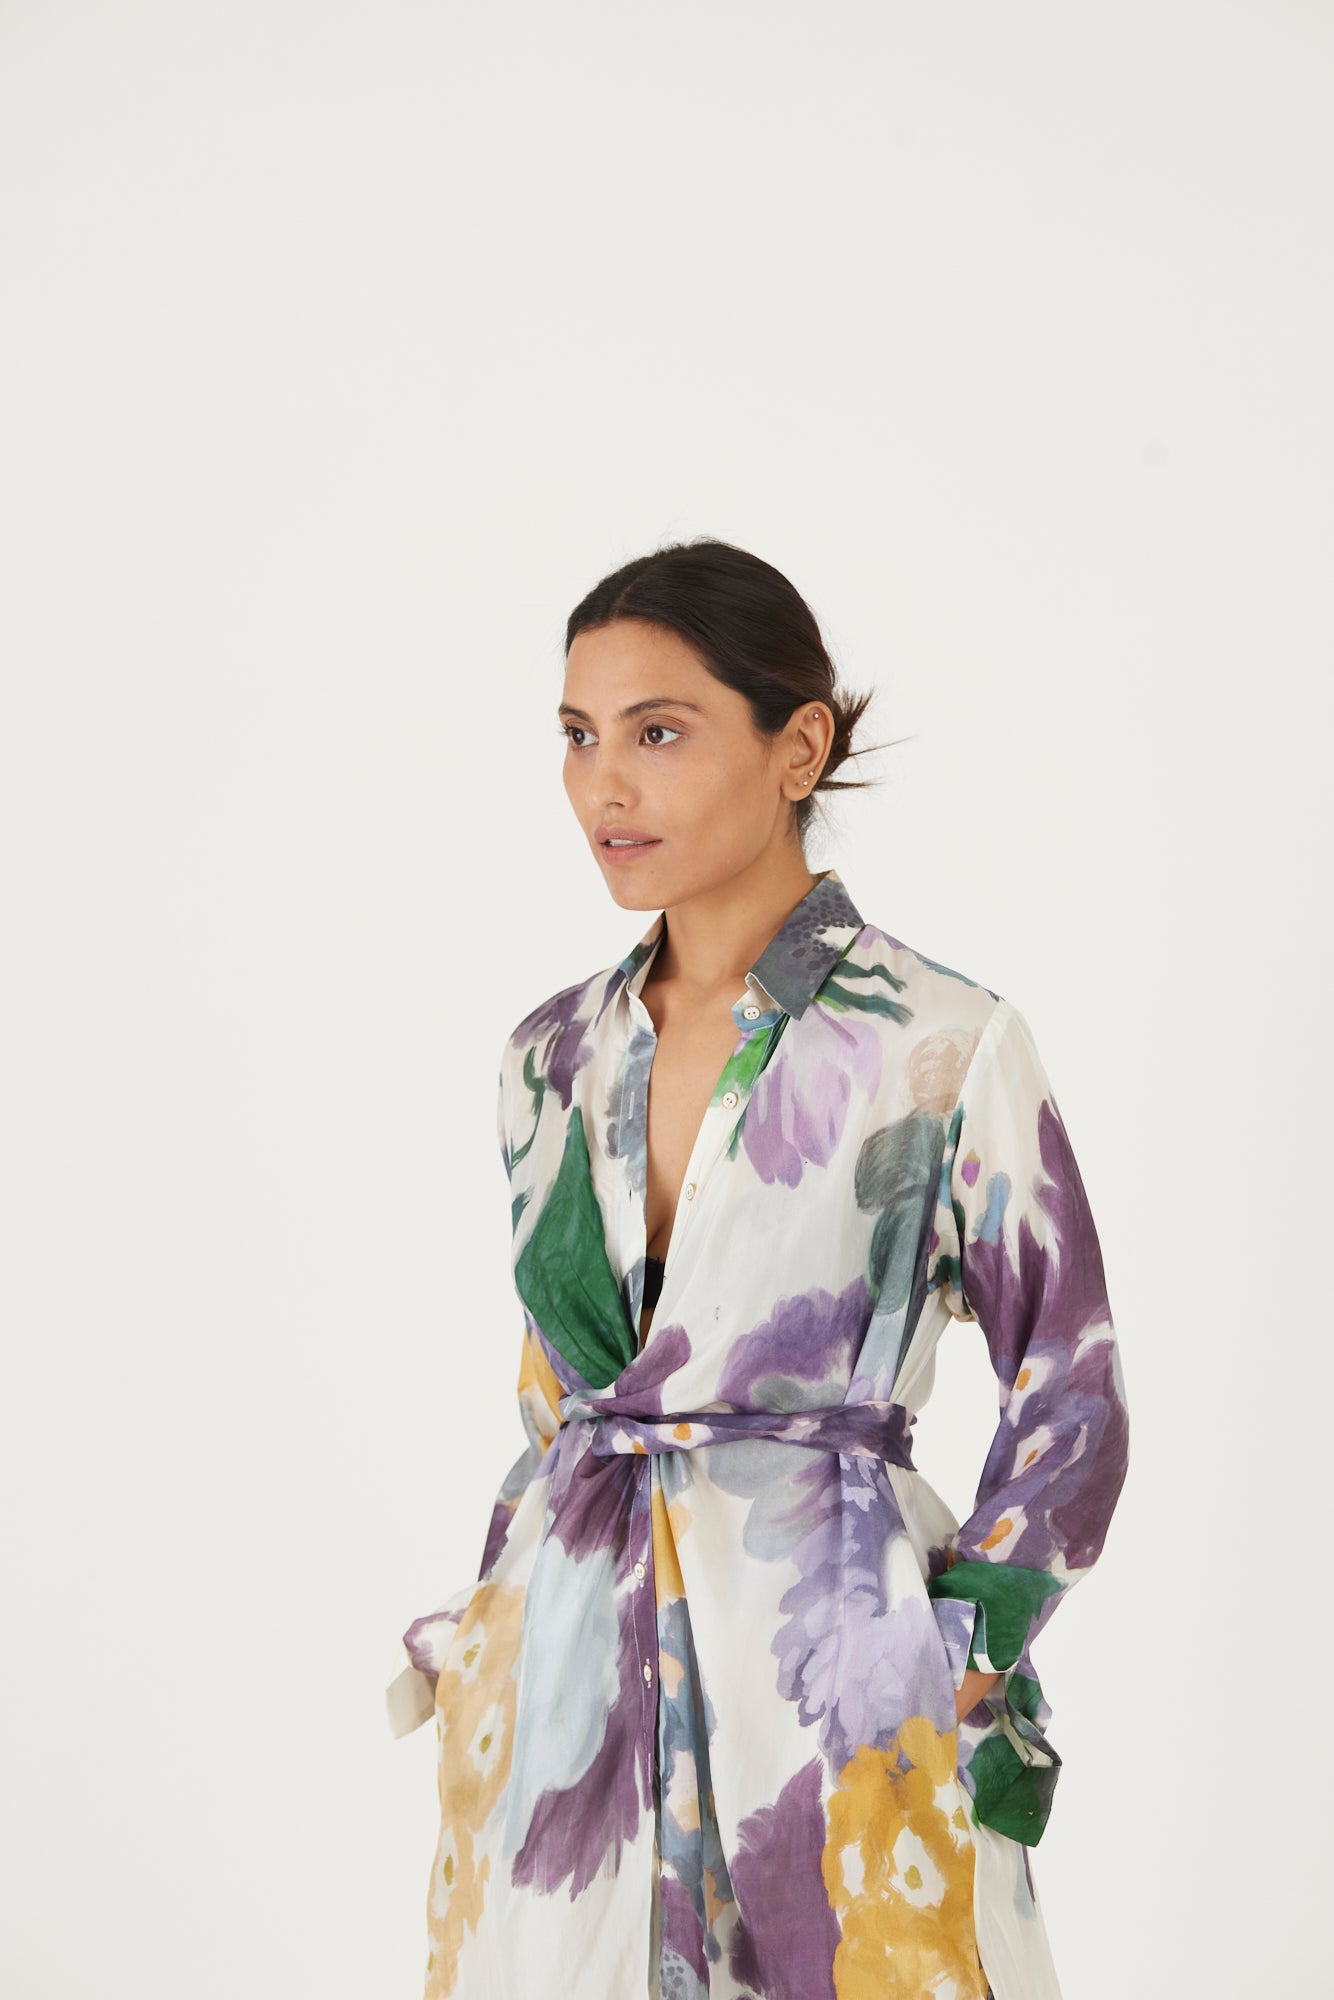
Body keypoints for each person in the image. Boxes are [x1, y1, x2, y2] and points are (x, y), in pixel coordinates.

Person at [386, 538, 1130, 2000]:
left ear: (799, 748)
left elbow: (1073, 1387)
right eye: (578, 736)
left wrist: (953, 1645)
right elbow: (551, 1410)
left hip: (826, 1668)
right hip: (565, 1695)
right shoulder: (548, 1060)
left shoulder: (940, 1043)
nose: (604, 786)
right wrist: (489, 1635)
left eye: (657, 733)